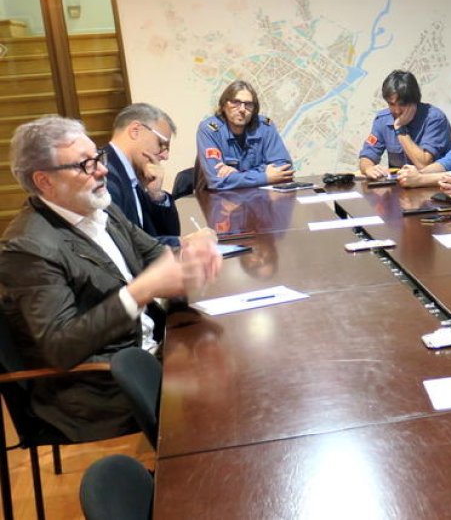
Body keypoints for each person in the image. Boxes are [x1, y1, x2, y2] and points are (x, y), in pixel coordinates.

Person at [0, 116, 221, 442]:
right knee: (222, 398)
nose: (102, 170)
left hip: (150, 349)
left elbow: (153, 253)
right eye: (85, 165)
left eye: (98, 157)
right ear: (44, 181)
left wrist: (189, 258)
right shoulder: (28, 248)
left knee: (235, 360)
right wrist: (140, 292)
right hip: (99, 388)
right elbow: (60, 347)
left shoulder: (99, 206)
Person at [103, 103, 181, 245]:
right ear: (135, 130)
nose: (165, 155)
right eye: (162, 144)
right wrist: (185, 243)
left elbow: (165, 233)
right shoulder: (103, 175)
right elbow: (125, 244)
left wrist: (155, 195)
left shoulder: (134, 174)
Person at [197, 79, 294, 190]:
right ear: (224, 105)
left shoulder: (265, 126)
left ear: (254, 109)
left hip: (257, 198)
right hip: (219, 200)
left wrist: (238, 174)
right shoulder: (210, 130)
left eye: (248, 104)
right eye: (235, 102)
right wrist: (264, 176)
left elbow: (284, 169)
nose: (242, 109)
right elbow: (216, 180)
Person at [358, 70, 451, 179]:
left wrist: (400, 129)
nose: (397, 110)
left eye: (402, 104)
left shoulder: (435, 119)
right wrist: (368, 168)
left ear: (414, 101)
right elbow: (367, 155)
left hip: (433, 186)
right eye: (391, 104)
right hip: (399, 188)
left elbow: (424, 165)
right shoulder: (383, 119)